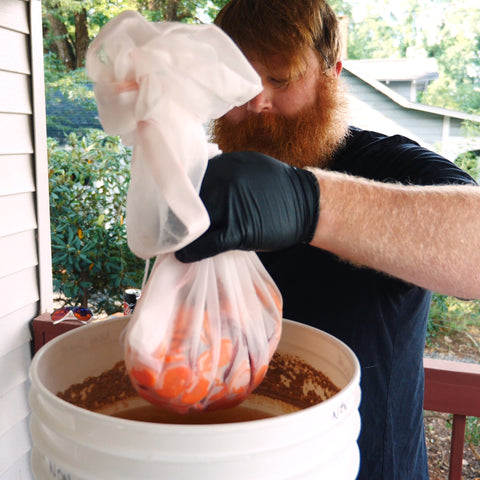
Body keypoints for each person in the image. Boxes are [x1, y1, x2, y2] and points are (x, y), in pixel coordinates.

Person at [175, 0, 480, 478]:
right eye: (238, 81)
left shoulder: (387, 165)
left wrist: (309, 205)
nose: (257, 101)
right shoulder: (209, 183)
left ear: (332, 73)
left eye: (279, 79)